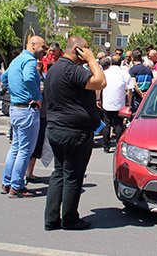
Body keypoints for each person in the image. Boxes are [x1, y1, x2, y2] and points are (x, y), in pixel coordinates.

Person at [44, 35, 106, 231]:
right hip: (73, 133)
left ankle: (51, 219)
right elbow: (100, 82)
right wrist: (92, 60)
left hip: (56, 129)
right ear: (77, 49)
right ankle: (70, 219)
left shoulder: (54, 69)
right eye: (86, 48)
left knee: (59, 173)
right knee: (73, 176)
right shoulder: (72, 70)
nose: (89, 51)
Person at [0, 35, 46, 198]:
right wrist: (37, 97)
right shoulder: (29, 61)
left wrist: (15, 91)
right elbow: (28, 77)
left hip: (15, 108)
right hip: (27, 109)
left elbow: (4, 78)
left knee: (15, 147)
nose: (44, 50)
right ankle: (17, 186)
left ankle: (7, 182)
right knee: (25, 150)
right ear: (33, 45)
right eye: (43, 47)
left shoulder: (16, 60)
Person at [101, 55, 132, 153]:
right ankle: (118, 145)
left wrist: (98, 99)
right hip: (119, 103)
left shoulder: (104, 73)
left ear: (110, 63)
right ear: (121, 62)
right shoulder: (125, 74)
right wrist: (129, 102)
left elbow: (99, 87)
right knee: (118, 125)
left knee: (107, 124)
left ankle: (106, 146)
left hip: (107, 102)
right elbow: (129, 90)